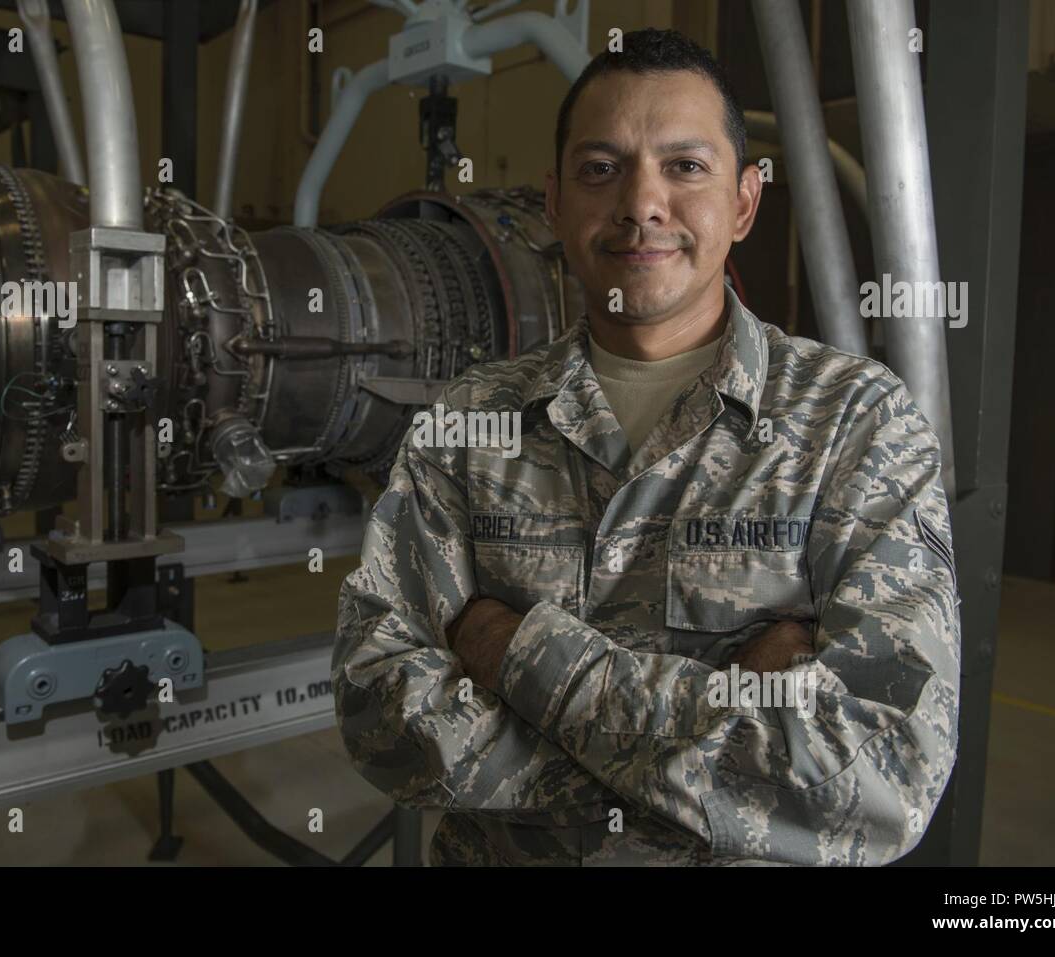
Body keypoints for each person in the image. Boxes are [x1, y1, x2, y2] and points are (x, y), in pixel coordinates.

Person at [332, 27, 960, 865]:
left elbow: (885, 777)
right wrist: (726, 733)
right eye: (602, 169)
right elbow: (381, 716)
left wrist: (514, 649)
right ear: (553, 203)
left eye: (685, 166)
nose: (640, 203)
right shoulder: (470, 423)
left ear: (744, 200)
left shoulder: (855, 424)